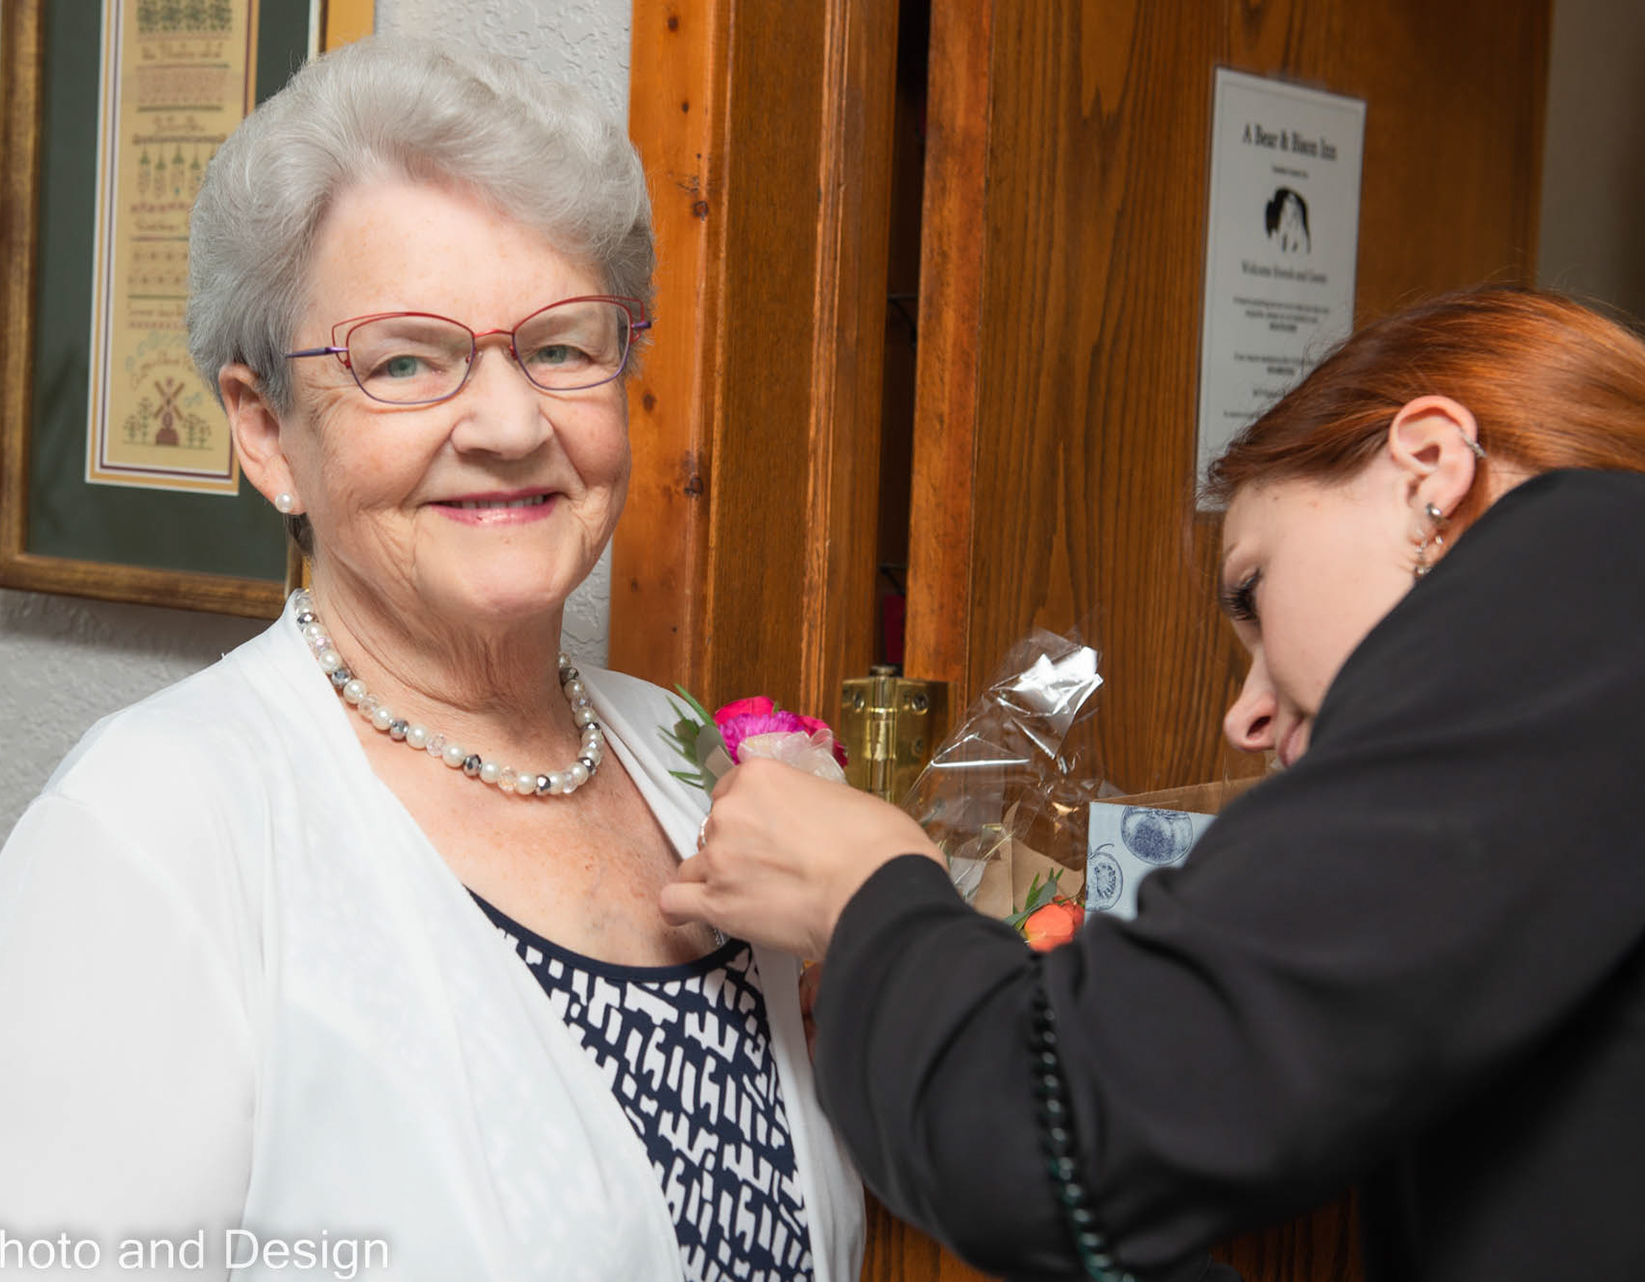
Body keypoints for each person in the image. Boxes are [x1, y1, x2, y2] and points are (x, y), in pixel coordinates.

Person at [0, 39, 861, 1282]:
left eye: (562, 345)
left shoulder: (679, 763)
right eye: (405, 360)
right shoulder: (153, 832)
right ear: (266, 431)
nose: (510, 423)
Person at [663, 287, 1645, 1281]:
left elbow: (1052, 1136)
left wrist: (866, 887)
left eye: (1252, 590)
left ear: (1428, 468)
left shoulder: (1589, 564)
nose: (1245, 715)